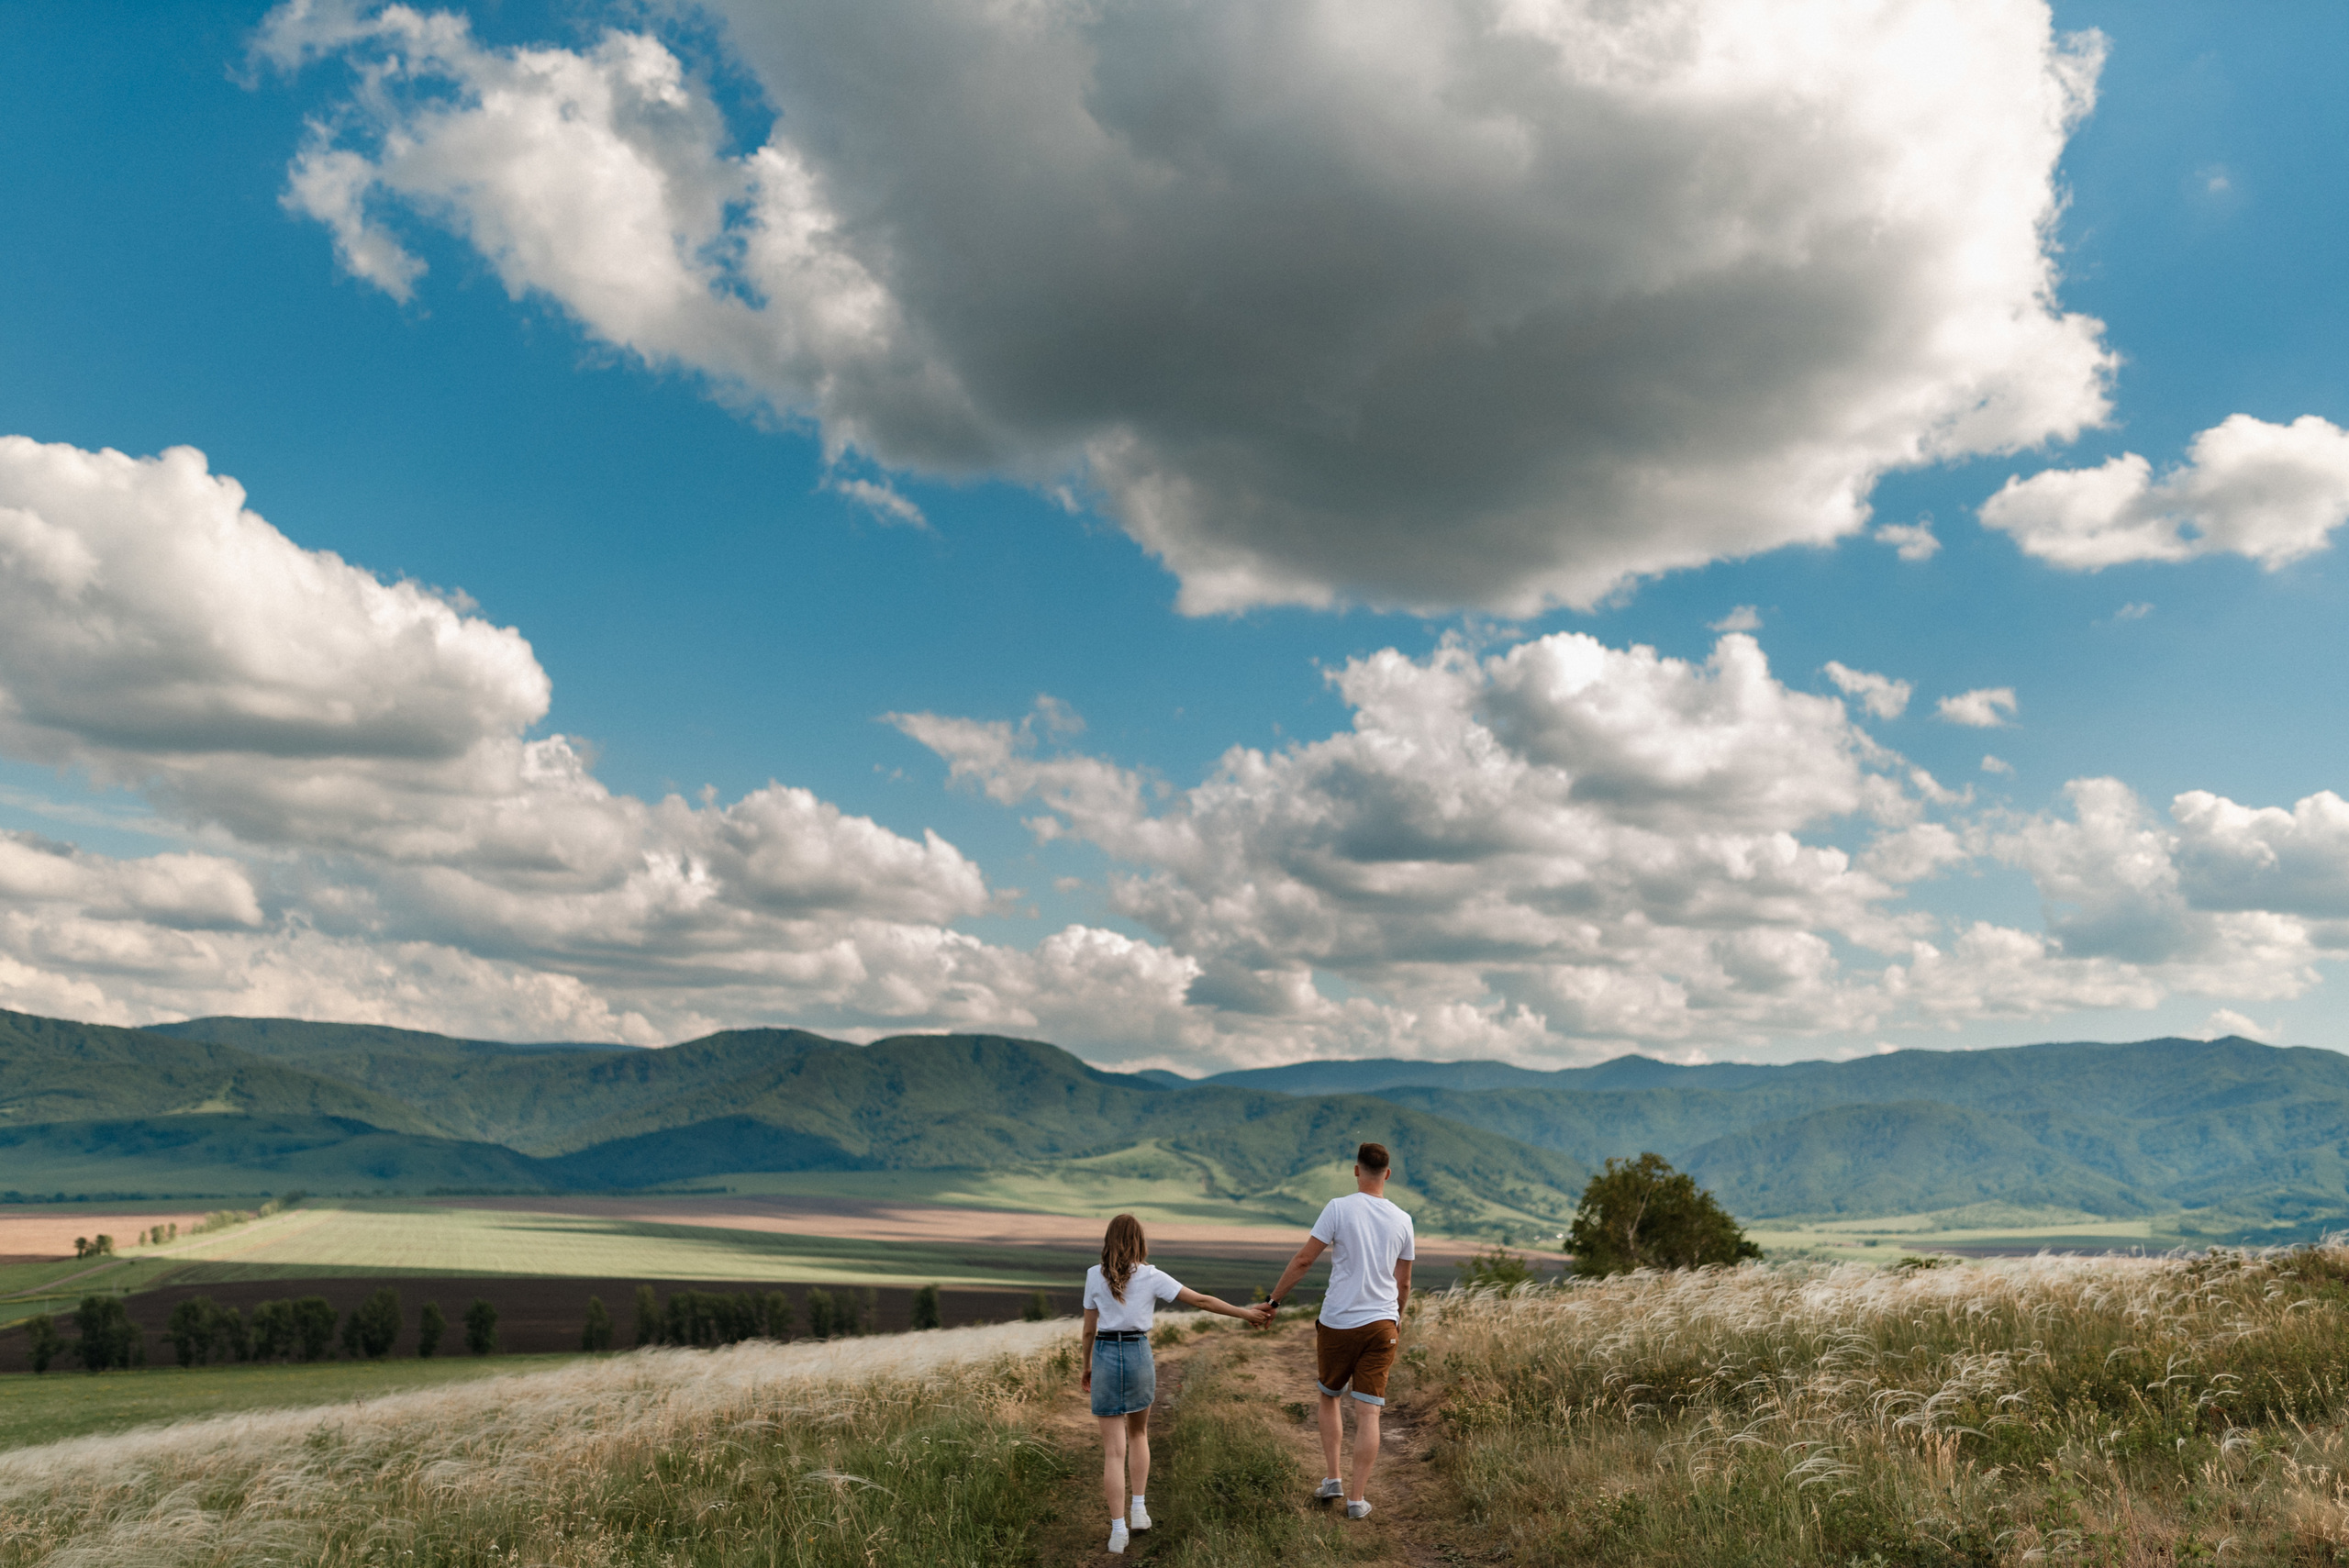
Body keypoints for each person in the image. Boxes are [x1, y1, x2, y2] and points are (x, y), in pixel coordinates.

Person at [1082, 1212, 1274, 1555]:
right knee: (1139, 1434)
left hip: (1106, 1356)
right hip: (1139, 1354)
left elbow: (1087, 1330)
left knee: (1113, 1451)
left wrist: (1087, 1365)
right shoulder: (1152, 1276)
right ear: (1140, 1241)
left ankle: (1117, 1532)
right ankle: (1138, 1510)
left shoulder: (1093, 1276)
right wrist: (1246, 1313)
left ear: (1108, 1241)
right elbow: (1201, 1301)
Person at [1260, 1140, 1415, 1520]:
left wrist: (1274, 1302)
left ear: (1356, 1170)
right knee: (1370, 1413)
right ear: (1388, 1175)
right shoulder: (1403, 1219)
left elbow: (1303, 1260)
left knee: (1330, 1396)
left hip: (1339, 1321)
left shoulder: (1338, 1208)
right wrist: (1396, 1318)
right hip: (1382, 1325)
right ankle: (1357, 1501)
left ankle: (1333, 1478)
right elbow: (1404, 1283)